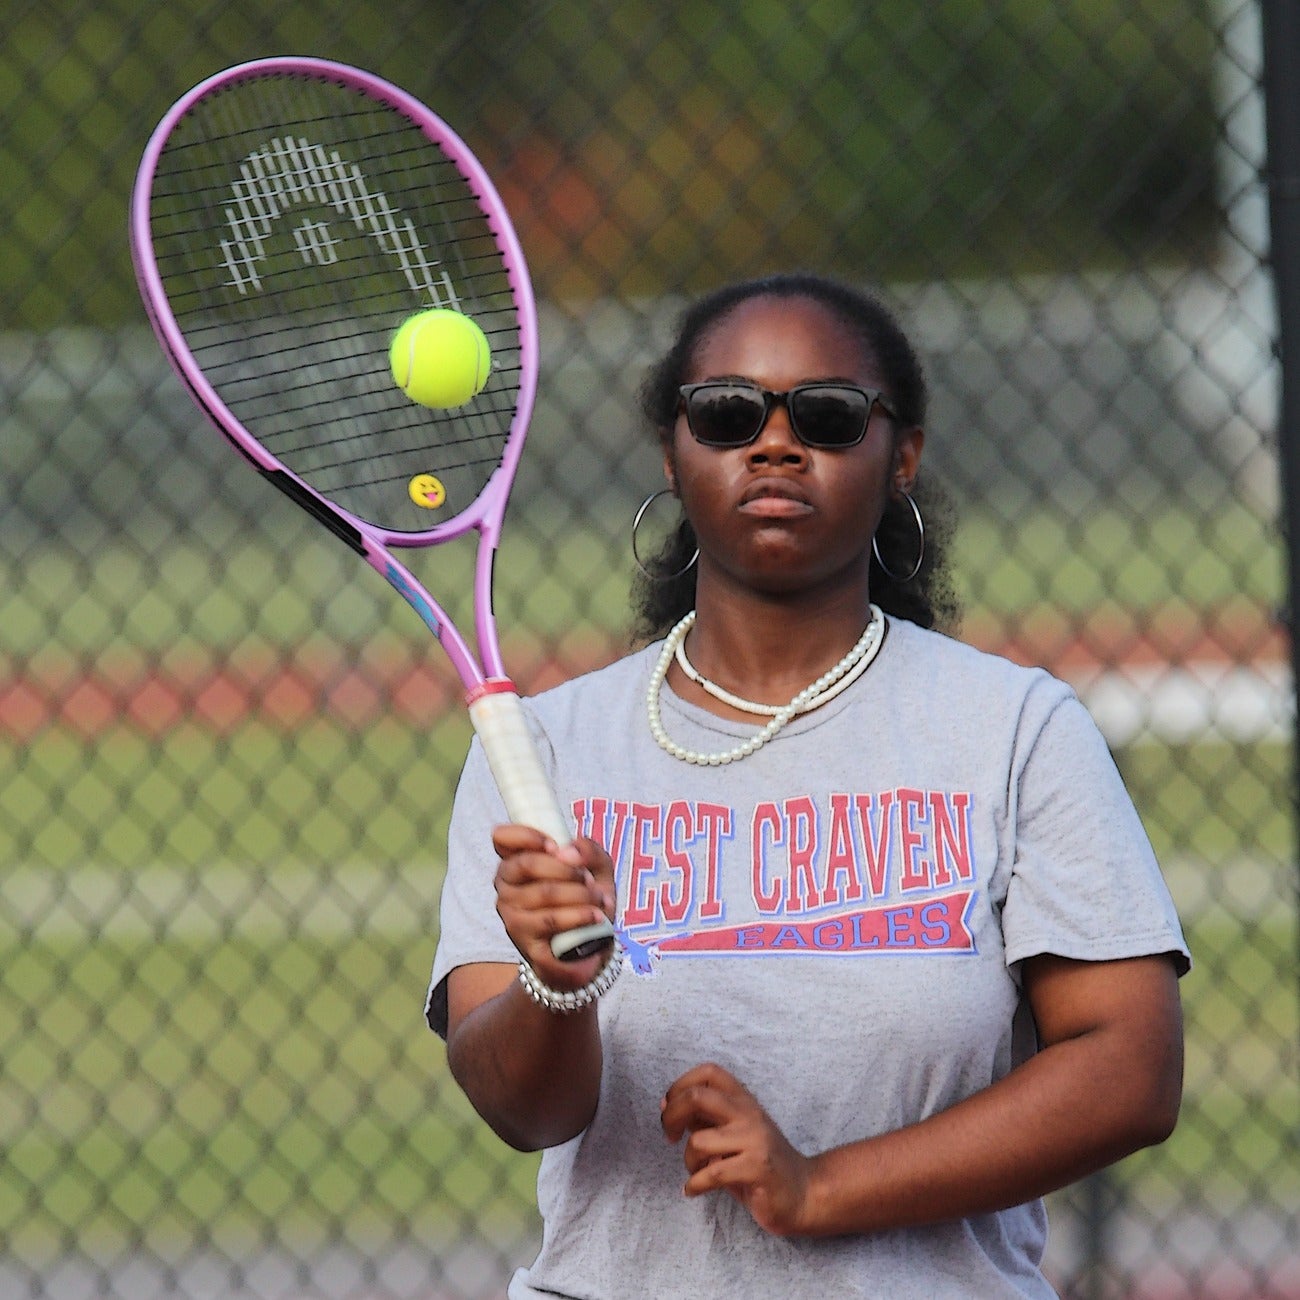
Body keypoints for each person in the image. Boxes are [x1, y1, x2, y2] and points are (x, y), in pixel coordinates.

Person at [425, 272, 1188, 1299]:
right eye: (727, 413)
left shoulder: (1010, 727)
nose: (774, 443)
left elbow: (1129, 1072)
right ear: (673, 450)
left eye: (826, 415)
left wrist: (821, 1186)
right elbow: (524, 1112)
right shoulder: (546, 749)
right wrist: (554, 987)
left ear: (900, 455)